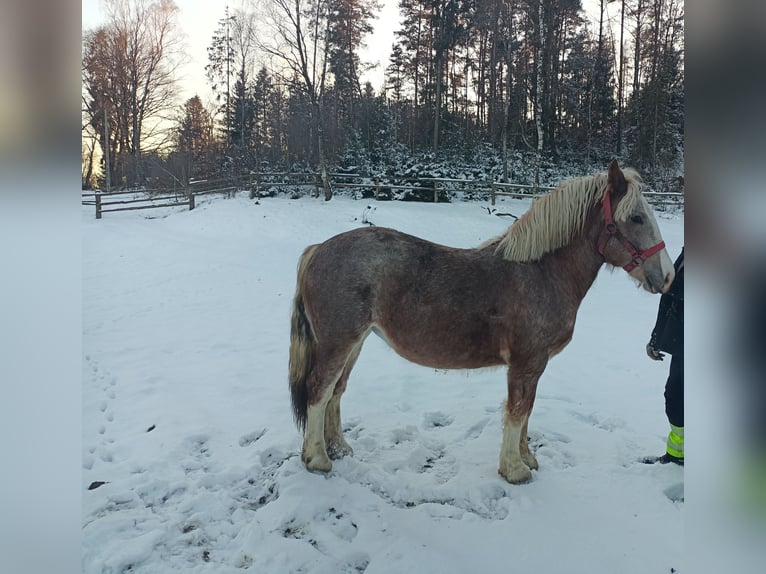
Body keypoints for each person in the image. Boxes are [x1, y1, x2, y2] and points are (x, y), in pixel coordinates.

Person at [643, 247, 684, 466]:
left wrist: (668, 287)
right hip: (683, 344)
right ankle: (677, 454)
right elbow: (669, 303)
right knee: (675, 398)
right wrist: (656, 338)